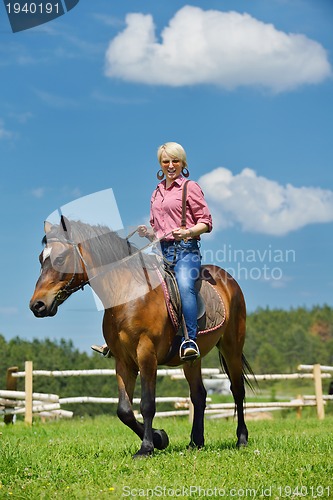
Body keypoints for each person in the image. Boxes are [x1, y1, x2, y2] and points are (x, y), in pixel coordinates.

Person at [91, 141, 212, 361]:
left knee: (185, 286)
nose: (171, 165)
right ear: (160, 164)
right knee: (128, 281)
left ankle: (190, 340)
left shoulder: (190, 188)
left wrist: (187, 232)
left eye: (175, 161)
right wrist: (149, 233)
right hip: (161, 252)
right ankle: (117, 340)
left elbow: (206, 222)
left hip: (186, 251)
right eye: (166, 161)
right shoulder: (156, 192)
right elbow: (160, 230)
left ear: (183, 163)